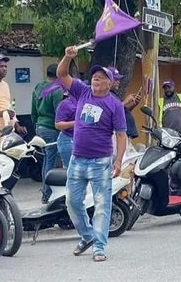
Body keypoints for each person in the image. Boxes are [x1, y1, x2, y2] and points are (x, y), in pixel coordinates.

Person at [57, 46, 127, 262]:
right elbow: (62, 75)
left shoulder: (114, 105)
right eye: (94, 76)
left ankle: (99, 246)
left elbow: (121, 135)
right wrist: (68, 57)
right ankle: (87, 235)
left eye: (101, 77)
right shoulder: (82, 91)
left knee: (102, 205)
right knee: (72, 202)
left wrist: (118, 160)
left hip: (101, 162)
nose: (96, 79)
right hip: (77, 159)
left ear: (110, 83)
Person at [31, 64, 63, 203]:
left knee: (46, 160)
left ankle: (45, 191)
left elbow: (33, 109)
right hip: (51, 127)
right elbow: (59, 112)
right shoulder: (57, 90)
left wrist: (35, 125)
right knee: (51, 160)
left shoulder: (38, 87)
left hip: (40, 126)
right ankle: (47, 192)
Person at [108, 67, 140, 139]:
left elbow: (122, 110)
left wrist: (133, 104)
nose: (118, 81)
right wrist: (125, 101)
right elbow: (111, 112)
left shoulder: (113, 94)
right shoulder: (105, 95)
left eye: (119, 79)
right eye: (116, 79)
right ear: (108, 79)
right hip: (117, 133)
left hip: (125, 133)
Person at [0, 54, 26, 133]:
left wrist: (17, 126)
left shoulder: (5, 85)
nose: (4, 69)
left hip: (7, 129)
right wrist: (3, 113)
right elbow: (5, 111)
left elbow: (9, 108)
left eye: (5, 66)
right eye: (1, 66)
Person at [54, 90, 77, 172]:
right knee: (70, 170)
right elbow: (58, 125)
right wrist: (75, 123)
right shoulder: (65, 104)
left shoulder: (86, 103)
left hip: (83, 139)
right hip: (68, 139)